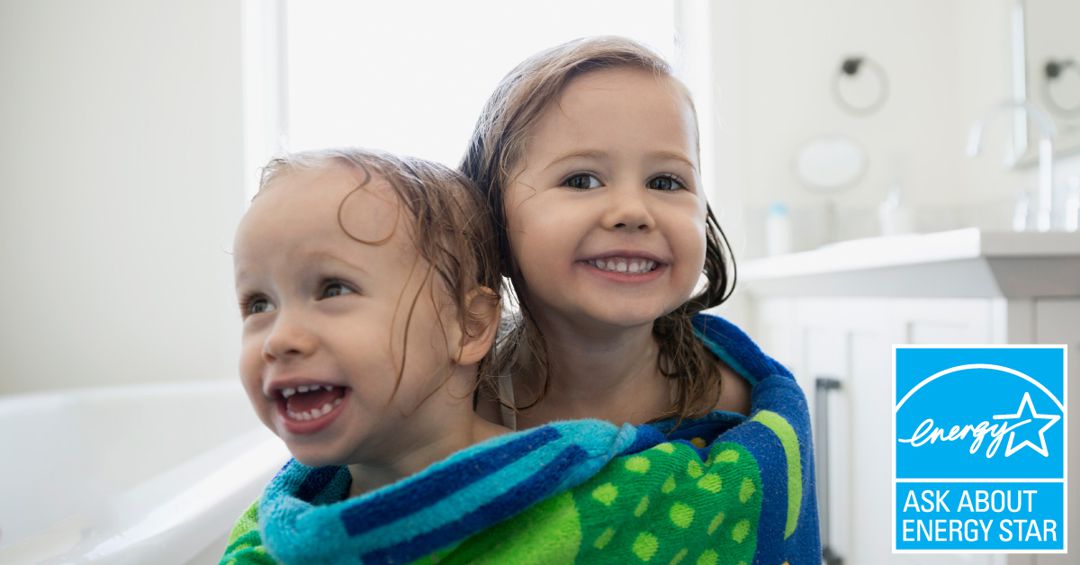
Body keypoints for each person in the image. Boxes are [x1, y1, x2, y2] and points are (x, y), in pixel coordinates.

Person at [223, 148, 507, 562]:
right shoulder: (281, 533)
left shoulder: (566, 490)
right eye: (259, 305)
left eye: (333, 289)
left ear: (468, 326)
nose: (278, 339)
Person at [460, 36, 753, 431]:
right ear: (494, 215)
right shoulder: (461, 405)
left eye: (665, 182)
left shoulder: (731, 400)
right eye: (581, 180)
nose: (632, 211)